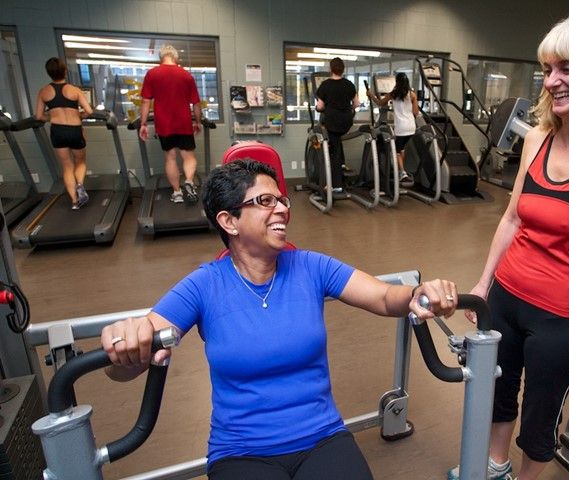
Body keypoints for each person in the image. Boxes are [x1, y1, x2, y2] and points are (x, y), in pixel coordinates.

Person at [101, 158, 459, 480]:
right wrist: (127, 343)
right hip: (241, 450)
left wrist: (417, 295)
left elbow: (383, 296)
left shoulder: (310, 266)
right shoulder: (204, 285)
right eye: (264, 201)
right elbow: (130, 359)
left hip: (322, 436)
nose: (282, 210)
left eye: (282, 200)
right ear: (229, 221)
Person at [449, 11, 569, 480]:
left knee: (540, 416)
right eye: (548, 69)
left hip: (563, 317)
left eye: (566, 69)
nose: (551, 81)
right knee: (498, 392)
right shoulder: (537, 137)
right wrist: (483, 284)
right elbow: (512, 218)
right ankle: (495, 467)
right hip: (508, 298)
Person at [140, 44, 202, 204]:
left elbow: (146, 102)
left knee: (170, 158)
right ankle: (188, 181)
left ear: (161, 57)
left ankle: (177, 193)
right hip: (184, 122)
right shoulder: (186, 75)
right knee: (188, 156)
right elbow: (196, 103)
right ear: (176, 57)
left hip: (164, 124)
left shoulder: (152, 74)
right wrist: (198, 121)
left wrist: (143, 124)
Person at [35, 57, 93, 210]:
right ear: (65, 71)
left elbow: (39, 116)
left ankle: (74, 202)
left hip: (57, 131)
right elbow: (89, 111)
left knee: (67, 167)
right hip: (74, 129)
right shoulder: (74, 90)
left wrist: (52, 117)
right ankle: (80, 184)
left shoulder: (44, 92)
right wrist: (79, 115)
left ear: (49, 73)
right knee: (80, 161)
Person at [315, 57, 359, 195]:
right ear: (343, 69)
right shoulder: (349, 84)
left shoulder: (325, 85)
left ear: (330, 69)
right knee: (337, 143)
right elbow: (356, 104)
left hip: (332, 121)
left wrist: (319, 108)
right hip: (346, 121)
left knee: (333, 151)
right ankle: (342, 164)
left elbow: (320, 106)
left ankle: (337, 186)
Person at [366, 72, 419, 185]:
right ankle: (401, 170)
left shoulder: (393, 94)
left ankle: (402, 173)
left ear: (397, 82)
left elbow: (380, 103)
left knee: (396, 151)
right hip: (411, 126)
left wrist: (371, 95)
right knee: (401, 149)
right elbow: (415, 112)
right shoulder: (413, 95)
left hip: (401, 127)